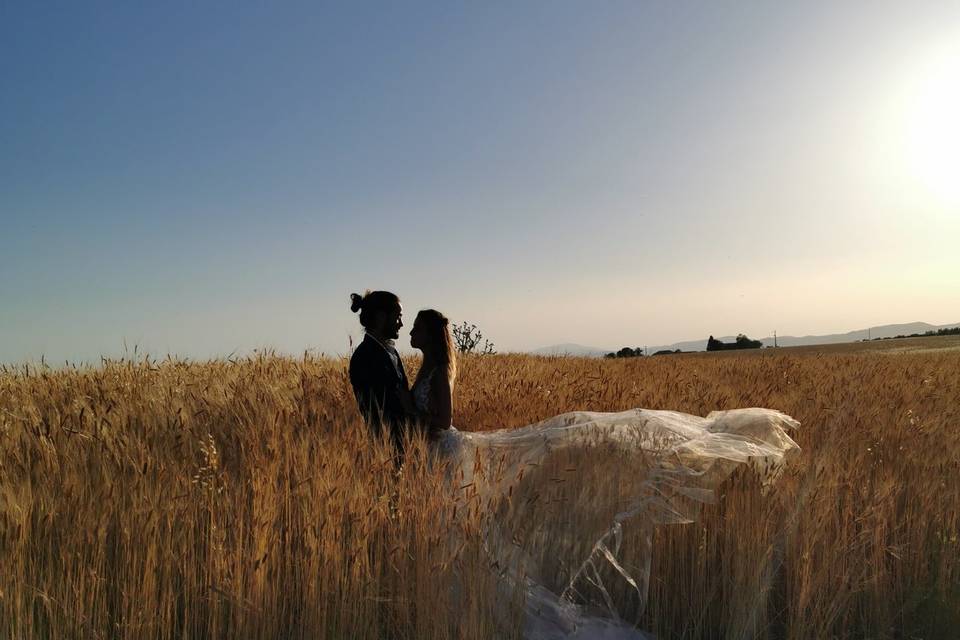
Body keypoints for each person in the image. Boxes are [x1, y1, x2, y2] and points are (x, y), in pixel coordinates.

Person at [405, 305, 803, 638]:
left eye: (417, 326)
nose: (411, 330)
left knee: (457, 529)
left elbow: (443, 418)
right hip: (435, 455)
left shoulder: (438, 371)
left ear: (430, 334)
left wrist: (413, 421)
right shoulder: (427, 367)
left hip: (443, 453)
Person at [348, 291, 415, 458]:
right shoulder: (364, 357)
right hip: (384, 447)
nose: (401, 323)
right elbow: (377, 409)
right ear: (380, 317)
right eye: (397, 317)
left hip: (402, 444)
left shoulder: (390, 351)